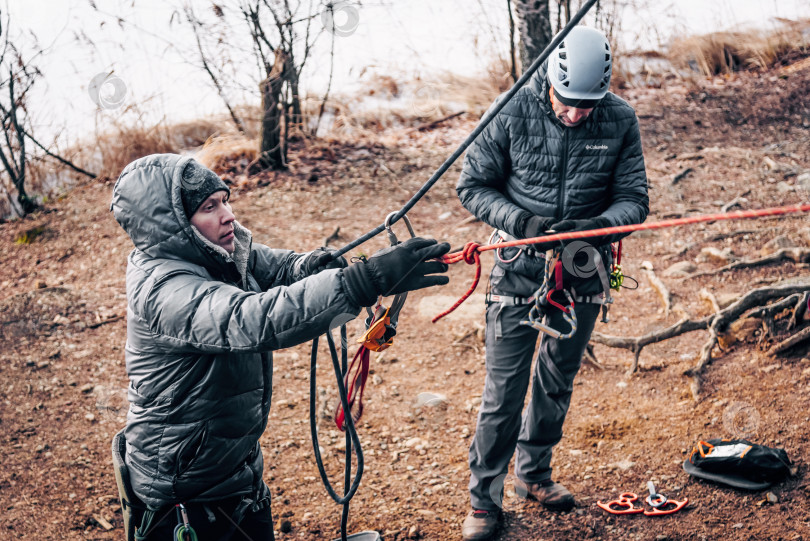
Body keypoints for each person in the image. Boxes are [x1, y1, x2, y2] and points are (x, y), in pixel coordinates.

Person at [109, 153, 450, 540]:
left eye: (225, 199)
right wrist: (360, 283)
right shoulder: (163, 289)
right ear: (172, 225)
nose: (228, 215)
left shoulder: (220, 249)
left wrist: (335, 267)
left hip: (235, 473)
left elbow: (282, 268)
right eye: (209, 207)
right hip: (182, 494)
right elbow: (252, 319)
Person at [456, 26, 649, 540]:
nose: (575, 114)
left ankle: (534, 474)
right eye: (567, 103)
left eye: (587, 105)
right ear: (550, 82)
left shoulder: (620, 118)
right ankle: (484, 502)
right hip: (517, 264)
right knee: (504, 391)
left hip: (583, 266)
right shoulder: (511, 109)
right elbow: (472, 185)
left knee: (557, 380)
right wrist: (525, 224)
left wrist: (590, 230)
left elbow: (634, 200)